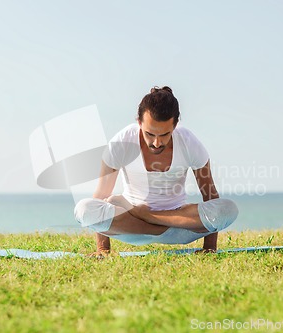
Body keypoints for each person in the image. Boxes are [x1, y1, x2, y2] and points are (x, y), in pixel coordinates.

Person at [74, 86, 238, 256]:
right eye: (150, 134)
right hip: (131, 226)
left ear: (175, 125)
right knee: (84, 209)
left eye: (165, 135)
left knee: (227, 209)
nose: (157, 143)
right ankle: (148, 219)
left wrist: (209, 248)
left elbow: (210, 196)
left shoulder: (189, 142)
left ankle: (148, 216)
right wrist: (103, 250)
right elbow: (100, 196)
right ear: (139, 122)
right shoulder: (121, 143)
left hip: (179, 225)